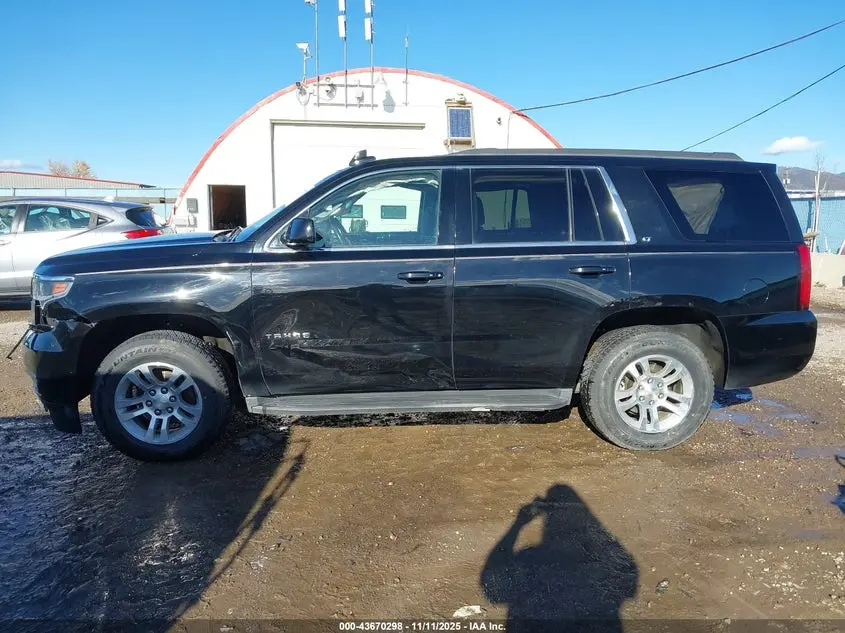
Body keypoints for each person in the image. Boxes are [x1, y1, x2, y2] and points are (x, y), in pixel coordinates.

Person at [481, 484, 638, 632]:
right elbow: (626, 573)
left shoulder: (530, 560)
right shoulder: (599, 565)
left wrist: (518, 525)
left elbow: (491, 585)